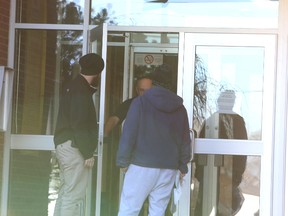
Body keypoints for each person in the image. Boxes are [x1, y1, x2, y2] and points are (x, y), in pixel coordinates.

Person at [116, 64, 191, 216]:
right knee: (158, 211)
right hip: (168, 168)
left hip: (141, 166)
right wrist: (183, 165)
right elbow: (185, 139)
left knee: (129, 209)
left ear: (153, 82)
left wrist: (122, 161)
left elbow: (129, 133)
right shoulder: (180, 108)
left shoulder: (140, 102)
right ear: (169, 84)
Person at [53, 53, 105, 216]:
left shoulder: (73, 86)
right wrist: (88, 152)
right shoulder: (81, 91)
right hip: (74, 148)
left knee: (66, 192)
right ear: (98, 72)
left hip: (66, 145)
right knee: (74, 196)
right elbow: (79, 123)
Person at [194, 90, 247, 216]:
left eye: (230, 100)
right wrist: (201, 174)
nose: (227, 103)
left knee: (224, 210)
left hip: (228, 175)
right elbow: (201, 149)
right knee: (205, 209)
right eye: (224, 100)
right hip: (210, 173)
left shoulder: (238, 121)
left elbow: (242, 151)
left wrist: (237, 175)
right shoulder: (211, 121)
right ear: (219, 102)